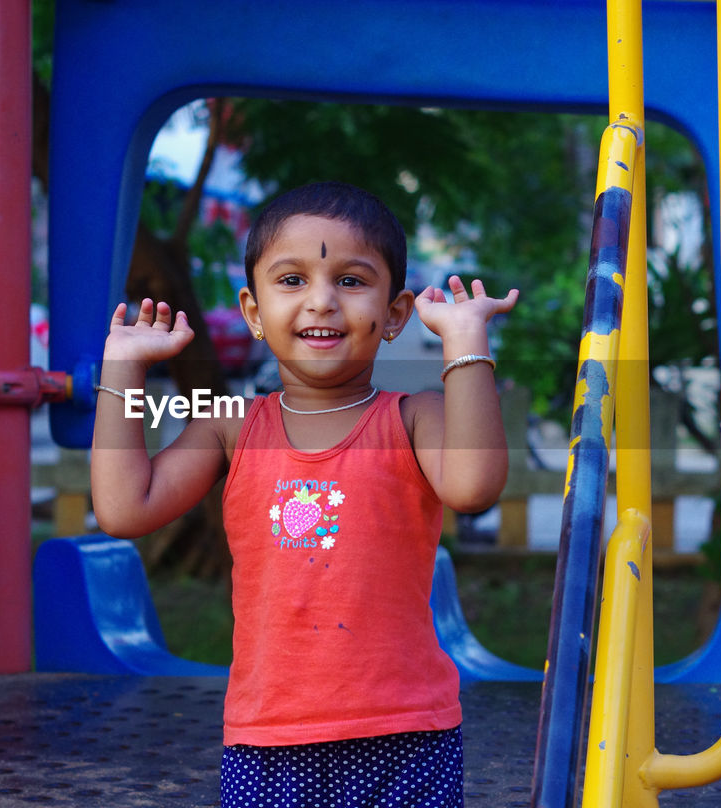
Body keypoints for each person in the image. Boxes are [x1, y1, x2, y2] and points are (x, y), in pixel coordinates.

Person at [91, 181, 518, 807]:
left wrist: (465, 343)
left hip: (406, 733)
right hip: (269, 740)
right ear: (254, 311)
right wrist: (123, 367)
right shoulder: (229, 426)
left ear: (396, 313)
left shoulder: (415, 419)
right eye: (291, 280)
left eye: (350, 281)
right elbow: (125, 507)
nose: (321, 302)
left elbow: (474, 486)